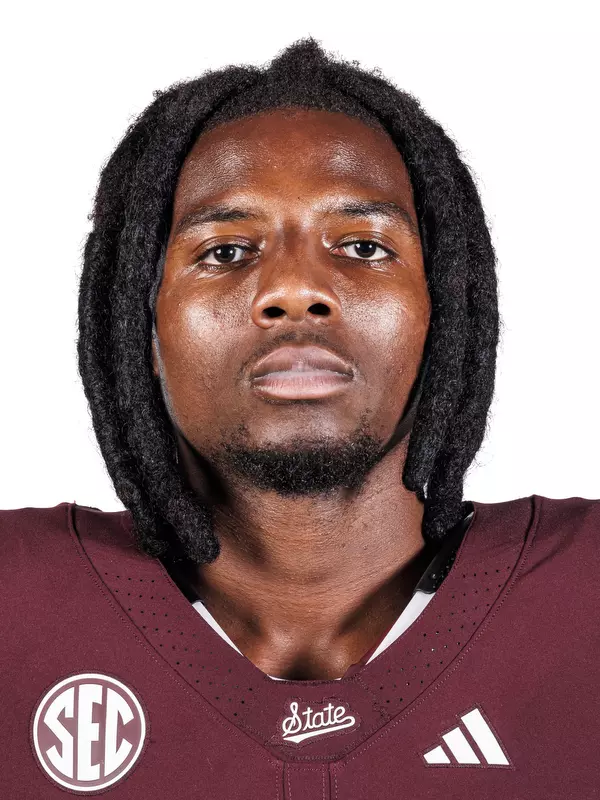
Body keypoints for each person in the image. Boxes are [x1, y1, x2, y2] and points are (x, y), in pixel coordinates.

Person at [1, 36, 598, 799]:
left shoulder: (583, 595)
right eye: (225, 251)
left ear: (445, 311)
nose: (294, 290)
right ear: (139, 327)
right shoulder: (16, 603)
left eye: (362, 245)